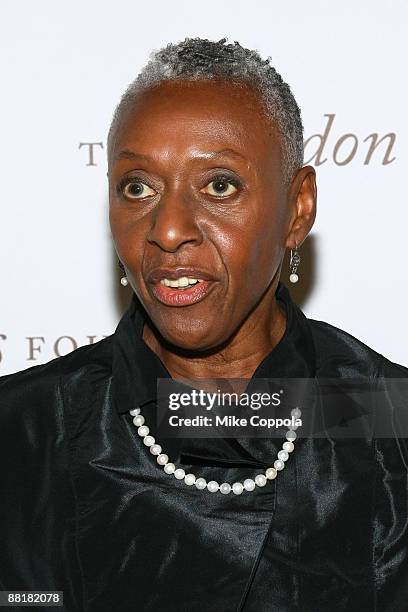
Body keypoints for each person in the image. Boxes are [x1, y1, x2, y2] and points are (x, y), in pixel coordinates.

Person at [0, 37, 407, 612]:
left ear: (298, 209)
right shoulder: (25, 432)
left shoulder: (388, 423)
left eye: (219, 185)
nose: (167, 229)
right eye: (137, 187)